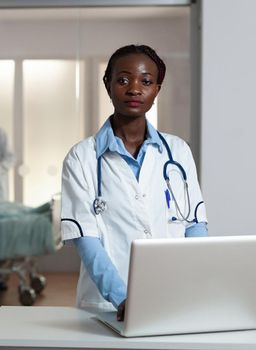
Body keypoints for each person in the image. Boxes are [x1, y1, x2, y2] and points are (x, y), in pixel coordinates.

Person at [60, 44, 208, 320]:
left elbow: (195, 225)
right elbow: (85, 239)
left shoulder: (178, 151)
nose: (134, 89)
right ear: (108, 84)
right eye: (123, 80)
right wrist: (122, 298)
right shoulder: (81, 157)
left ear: (157, 89)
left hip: (172, 296)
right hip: (107, 306)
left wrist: (193, 284)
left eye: (146, 81)